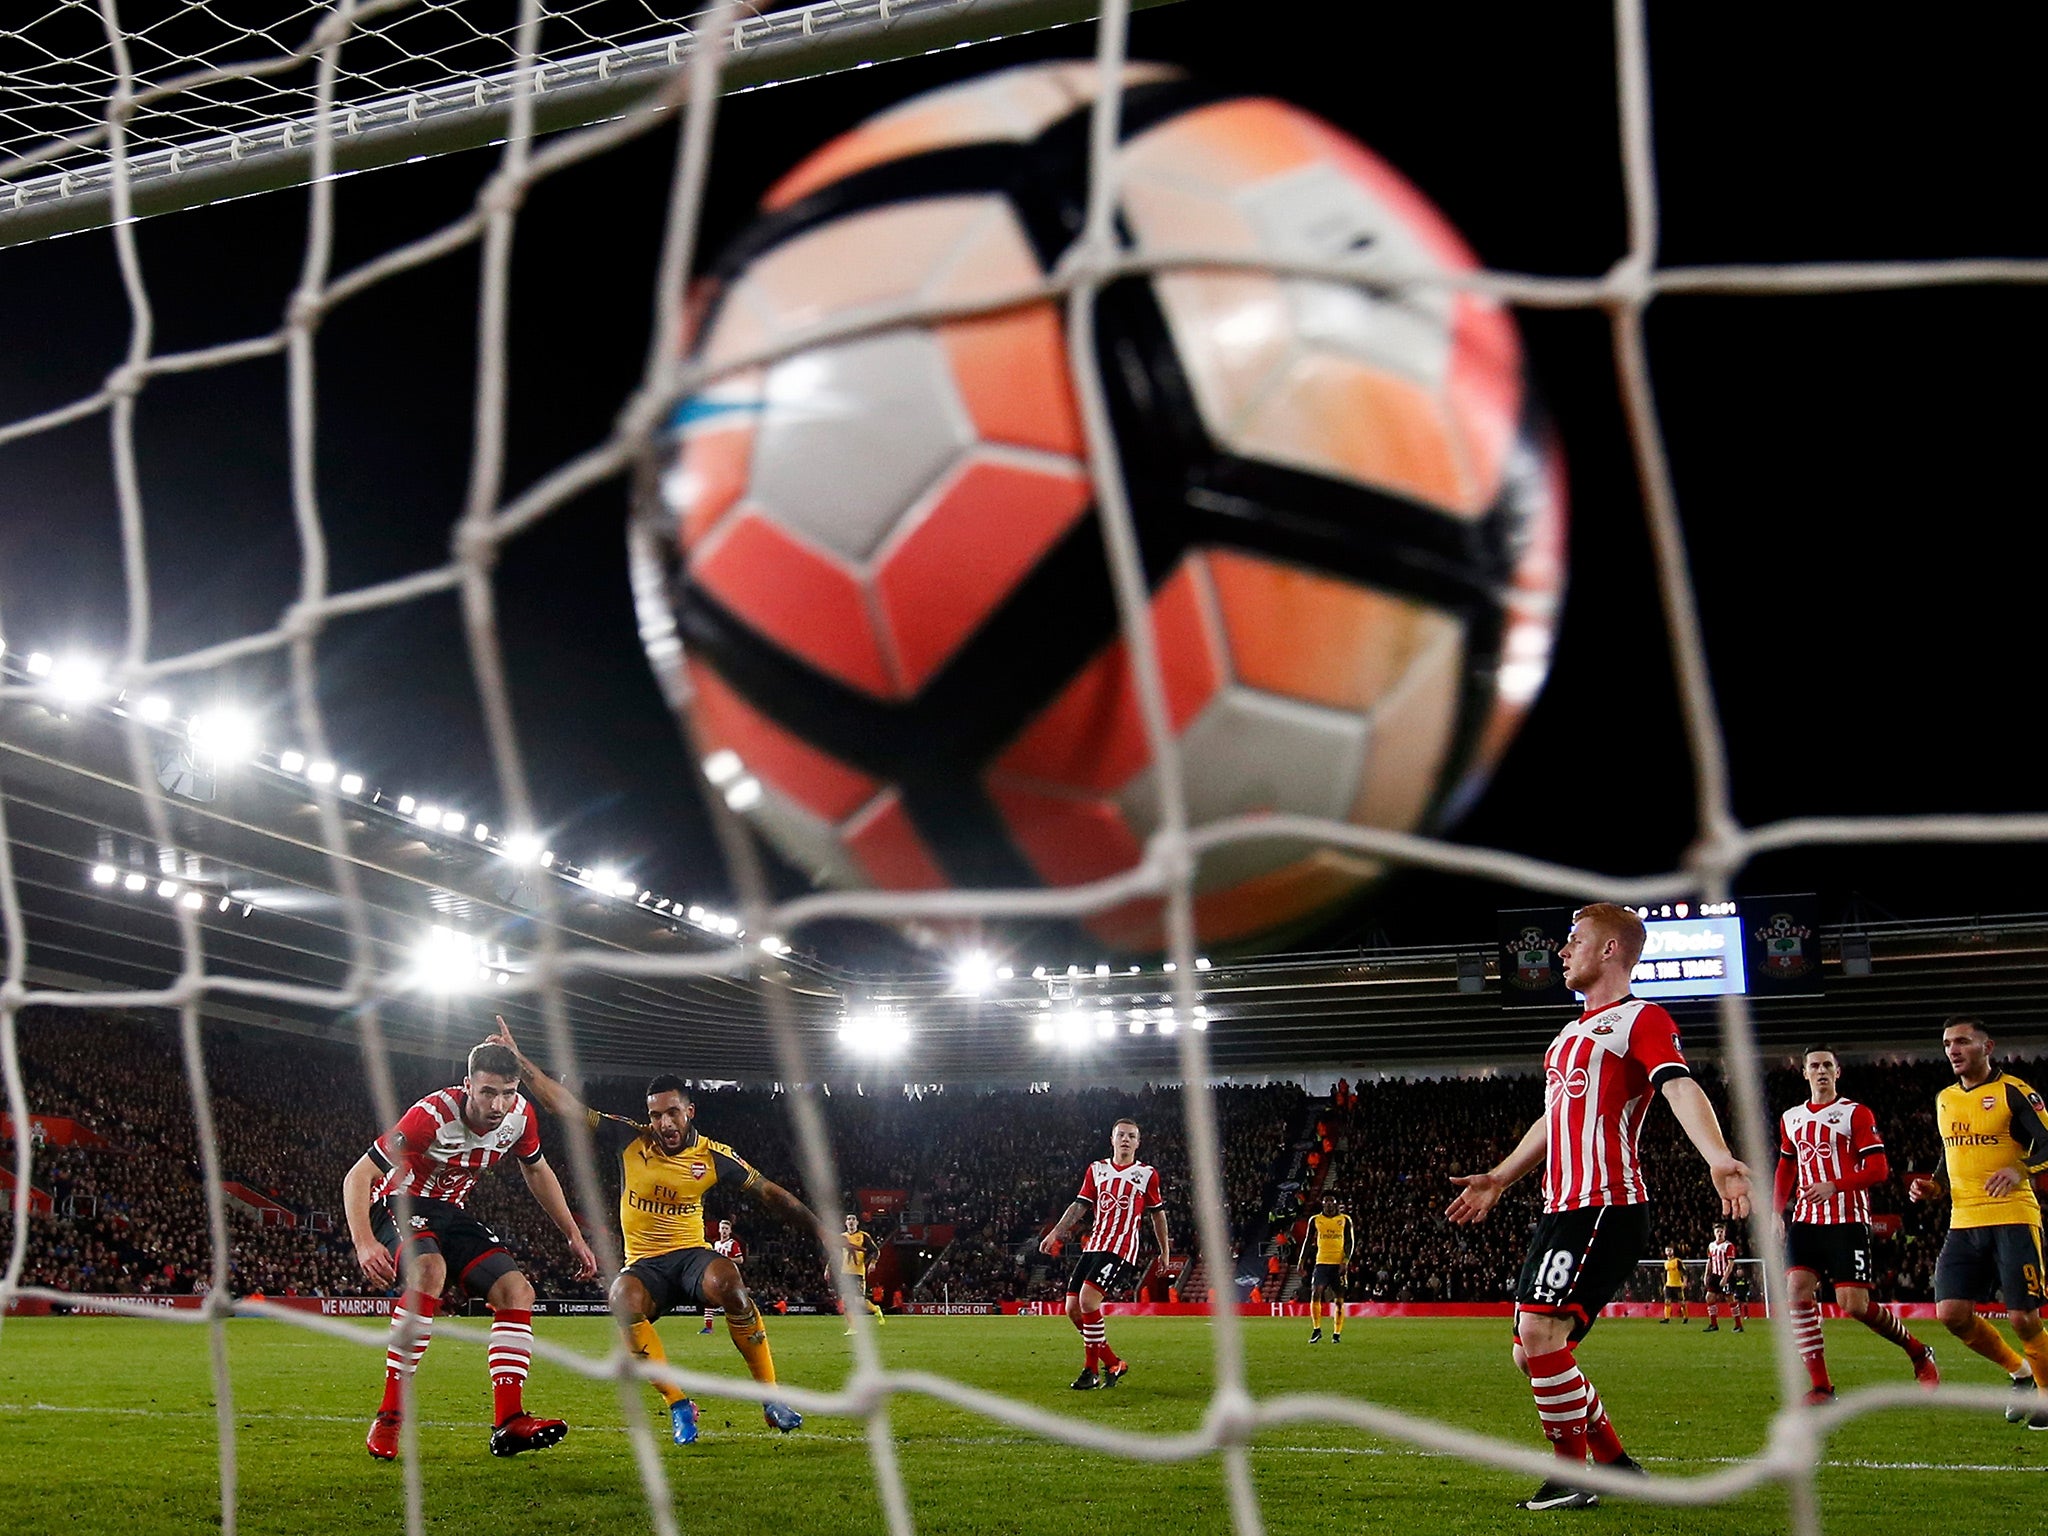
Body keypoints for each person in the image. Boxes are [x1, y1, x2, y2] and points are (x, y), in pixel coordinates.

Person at [1445, 902, 1750, 1511]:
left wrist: (1717, 1157)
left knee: (1538, 1332)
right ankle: (1614, 1465)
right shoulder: (1566, 1038)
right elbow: (1554, 1119)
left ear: (1610, 950)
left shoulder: (1640, 1019)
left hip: (1604, 1204)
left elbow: (1678, 1083)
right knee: (1528, 1350)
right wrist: (1501, 1178)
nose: (1561, 951)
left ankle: (1576, 1474)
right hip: (1562, 1208)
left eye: (1573, 941)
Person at [486, 1020, 822, 1445]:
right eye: (656, 1115)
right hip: (645, 1266)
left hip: (691, 1258)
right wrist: (520, 1063)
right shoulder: (631, 1139)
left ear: (689, 1112)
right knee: (621, 1300)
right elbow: (564, 1106)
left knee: (732, 1287)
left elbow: (773, 1195)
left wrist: (823, 1234)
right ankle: (679, 1405)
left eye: (671, 1113)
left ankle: (771, 1399)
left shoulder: (714, 1157)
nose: (664, 1123)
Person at [342, 1039, 598, 1462]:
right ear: (468, 1086)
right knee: (429, 1269)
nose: (499, 1104)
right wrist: (364, 1243)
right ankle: (389, 1416)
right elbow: (358, 1175)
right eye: (488, 1092)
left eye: (508, 1092)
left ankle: (510, 1421)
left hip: (448, 1211)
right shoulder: (430, 1117)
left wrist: (573, 1233)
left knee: (518, 1292)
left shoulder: (519, 1117)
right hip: (398, 1202)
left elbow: (537, 1170)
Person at [1905, 1017, 2048, 1429]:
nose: (1953, 1049)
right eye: (1948, 1042)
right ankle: (2019, 1373)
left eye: (1963, 1041)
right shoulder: (1945, 1098)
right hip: (1963, 1220)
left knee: (2024, 1317)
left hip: (2014, 1217)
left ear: (1987, 1047)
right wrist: (1933, 1187)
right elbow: (1950, 1154)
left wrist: (2021, 1169)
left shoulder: (2014, 1092)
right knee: (1951, 1313)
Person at [1775, 1045, 1937, 1402]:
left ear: (1837, 1072)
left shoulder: (1855, 1114)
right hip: (1805, 1219)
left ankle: (1917, 1350)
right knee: (1796, 1291)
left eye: (1827, 1065)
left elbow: (1878, 1170)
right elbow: (1787, 1165)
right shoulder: (1791, 1118)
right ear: (1804, 1073)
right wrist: (1776, 1212)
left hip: (1848, 1219)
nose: (1821, 1071)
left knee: (1854, 1305)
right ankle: (1821, 1386)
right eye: (1814, 1065)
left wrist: (1834, 1185)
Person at [1040, 1116, 1169, 1390]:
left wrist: (1164, 1251)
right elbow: (1078, 1207)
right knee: (1072, 1309)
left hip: (1121, 1248)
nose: (1125, 1139)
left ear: (1138, 1142)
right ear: (1111, 1140)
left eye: (1131, 1136)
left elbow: (1158, 1216)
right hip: (1095, 1244)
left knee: (1088, 1301)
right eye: (1121, 1134)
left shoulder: (1147, 1174)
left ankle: (1091, 1371)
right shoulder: (1096, 1170)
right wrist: (1055, 1233)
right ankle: (1112, 1362)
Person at [1297, 1194, 1354, 1344]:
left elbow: (1349, 1242)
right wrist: (1301, 1260)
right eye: (1326, 1203)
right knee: (1316, 1293)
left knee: (1339, 1300)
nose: (1329, 1205)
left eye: (1332, 1203)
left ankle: (1336, 1333)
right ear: (1323, 1205)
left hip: (1338, 1264)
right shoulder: (1315, 1220)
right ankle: (1317, 1330)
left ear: (1336, 1205)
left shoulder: (1345, 1220)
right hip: (1321, 1263)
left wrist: (1345, 1261)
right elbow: (1308, 1241)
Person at [839, 1214, 885, 1329]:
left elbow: (876, 1251)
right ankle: (852, 1327)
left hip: (858, 1273)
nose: (851, 1221)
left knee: (859, 1302)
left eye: (853, 1219)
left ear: (857, 1223)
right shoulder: (841, 1237)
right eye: (848, 1219)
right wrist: (828, 1268)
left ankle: (876, 1309)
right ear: (845, 1223)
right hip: (845, 1273)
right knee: (846, 1301)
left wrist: (873, 1263)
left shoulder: (863, 1236)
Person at [700, 1219, 745, 1334]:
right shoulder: (716, 1244)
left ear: (730, 1231)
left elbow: (740, 1259)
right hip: (718, 1277)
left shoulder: (732, 1244)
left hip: (729, 1278)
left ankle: (742, 1328)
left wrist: (725, 1259)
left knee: (734, 1304)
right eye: (722, 1228)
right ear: (719, 1230)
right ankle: (708, 1328)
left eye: (726, 1229)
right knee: (709, 1300)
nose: (724, 1231)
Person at [1702, 1223, 1743, 1332]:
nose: (1719, 1233)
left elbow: (1730, 1264)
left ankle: (1738, 1325)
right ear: (1714, 1233)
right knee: (1709, 1297)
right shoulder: (1711, 1246)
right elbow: (1709, 1261)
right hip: (1714, 1275)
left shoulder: (1728, 1246)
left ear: (1724, 1233)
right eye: (1717, 1231)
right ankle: (1713, 1324)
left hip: (1726, 1276)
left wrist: (1725, 1278)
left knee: (1730, 1299)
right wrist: (1706, 1274)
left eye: (1721, 1231)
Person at [1660, 1247, 1688, 1324]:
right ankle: (1667, 1318)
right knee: (1667, 1301)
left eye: (1670, 1250)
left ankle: (1685, 1317)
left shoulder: (1677, 1261)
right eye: (1667, 1250)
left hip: (1678, 1285)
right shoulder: (1666, 1263)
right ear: (1665, 1252)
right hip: (1669, 1285)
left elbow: (1684, 1272)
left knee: (1681, 1302)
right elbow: (1664, 1274)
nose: (1669, 1252)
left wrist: (1685, 1282)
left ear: (1673, 1251)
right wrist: (1664, 1285)